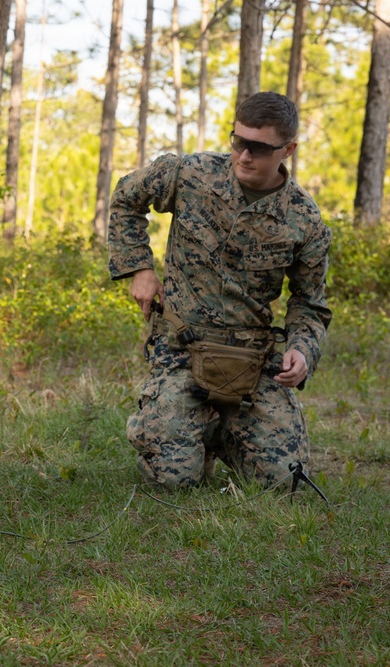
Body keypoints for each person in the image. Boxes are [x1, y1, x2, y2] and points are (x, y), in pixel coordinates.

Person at [108, 91, 331, 490]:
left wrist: (302, 350)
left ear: (289, 149)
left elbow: (309, 304)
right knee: (174, 482)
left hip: (252, 359)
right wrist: (139, 268)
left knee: (286, 485)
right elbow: (126, 197)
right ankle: (184, 427)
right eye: (238, 141)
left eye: (259, 148)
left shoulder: (304, 219)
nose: (245, 155)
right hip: (182, 349)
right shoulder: (191, 174)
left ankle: (220, 430)